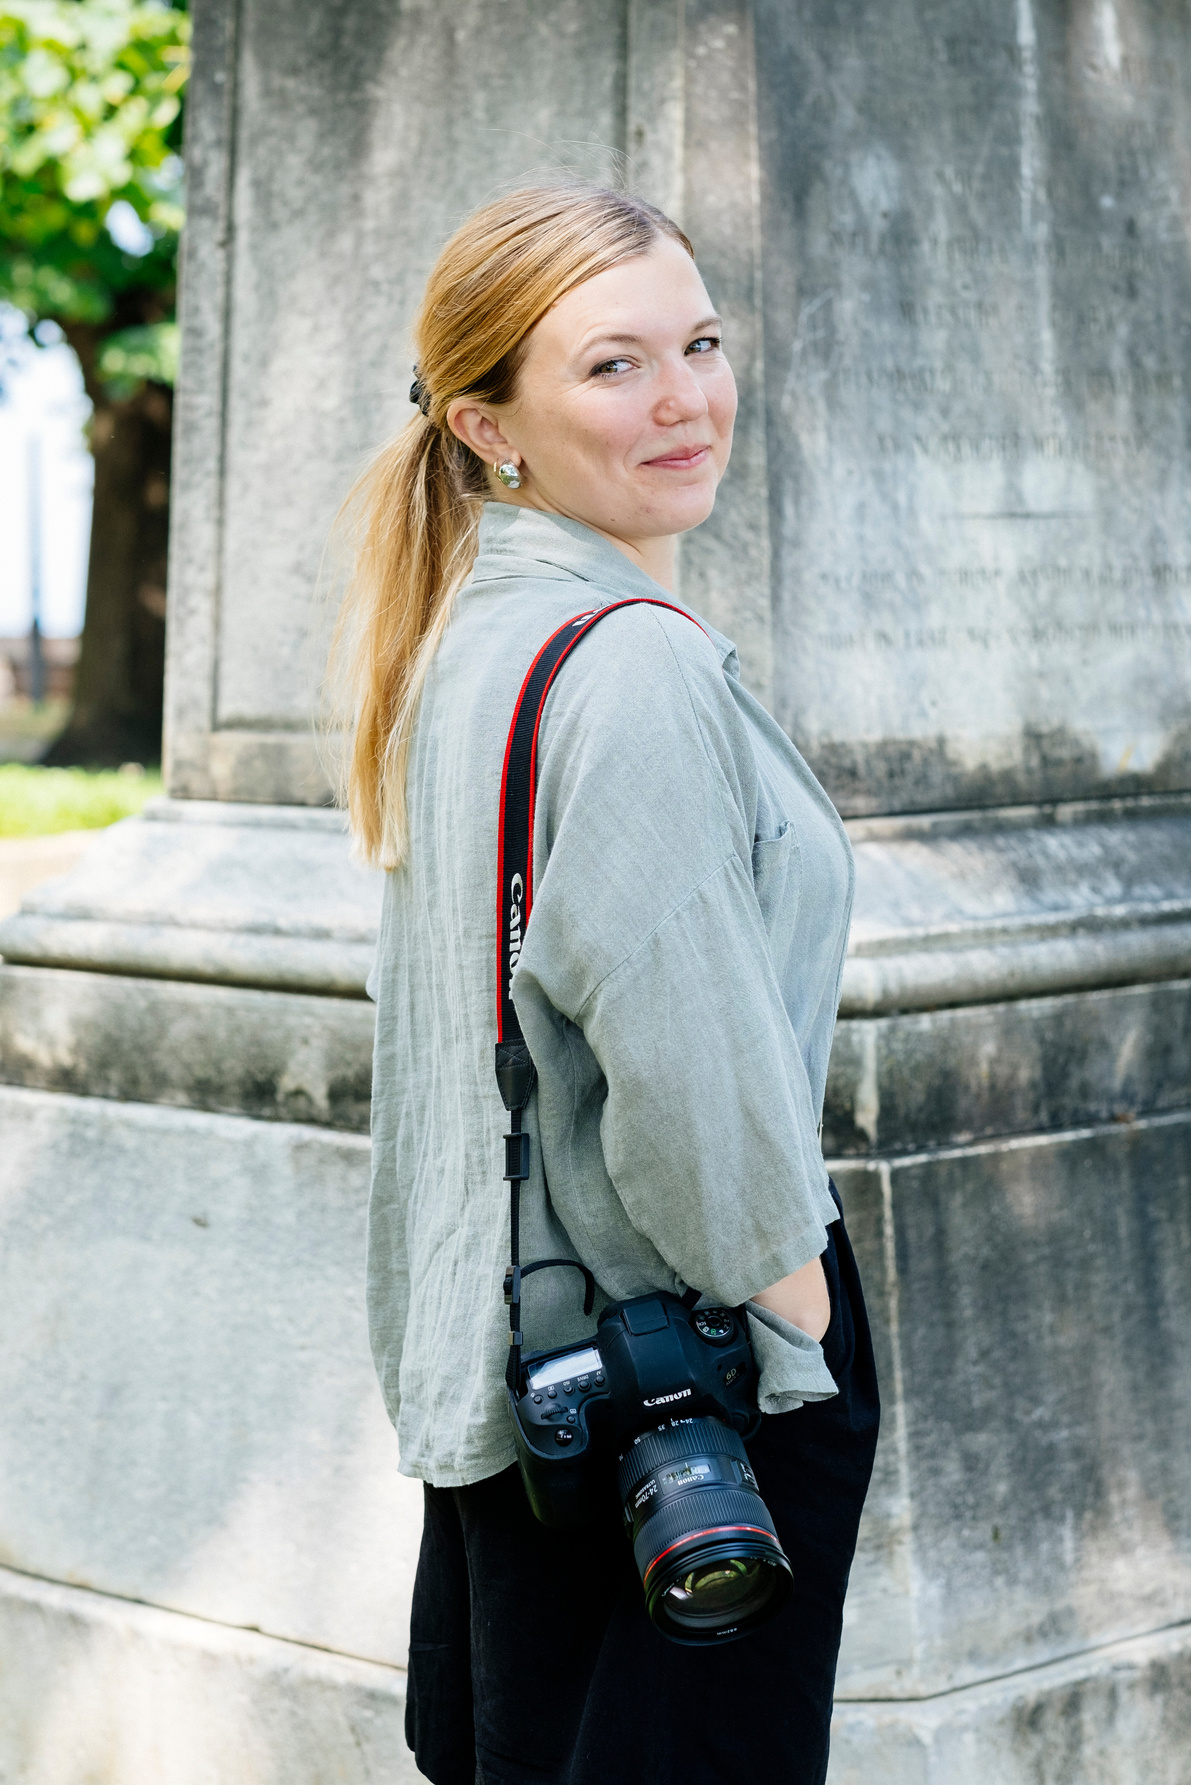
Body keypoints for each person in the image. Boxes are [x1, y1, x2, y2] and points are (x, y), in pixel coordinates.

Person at [334, 184, 880, 1785]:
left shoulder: (470, 637)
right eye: (613, 365)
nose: (686, 399)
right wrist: (801, 1313)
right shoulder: (629, 661)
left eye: (700, 343)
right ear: (486, 425)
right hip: (687, 1366)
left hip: (528, 1367)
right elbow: (689, 1069)